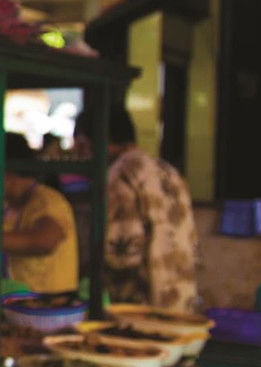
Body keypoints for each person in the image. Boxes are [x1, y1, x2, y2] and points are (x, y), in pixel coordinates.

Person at [74, 103, 198, 310]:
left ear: (92, 142)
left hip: (143, 305)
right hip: (180, 296)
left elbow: (121, 254)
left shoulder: (120, 175)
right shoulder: (167, 170)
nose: (79, 153)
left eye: (80, 145)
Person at [0, 133, 79, 293]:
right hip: (17, 305)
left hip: (48, 309)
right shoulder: (11, 206)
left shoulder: (47, 201)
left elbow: (45, 241)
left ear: (5, 173)